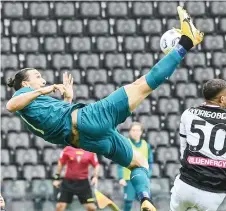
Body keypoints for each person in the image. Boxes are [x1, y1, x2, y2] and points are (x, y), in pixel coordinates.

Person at [6, 7, 204, 211]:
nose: (43, 79)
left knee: (140, 163)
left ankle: (145, 199)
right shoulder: (21, 96)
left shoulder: (32, 107)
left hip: (85, 139)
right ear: (25, 84)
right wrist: (46, 90)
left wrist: (68, 98)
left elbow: (56, 121)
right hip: (89, 119)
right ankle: (185, 42)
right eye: (37, 76)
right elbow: (10, 105)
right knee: (142, 85)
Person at [170, 79, 226, 211]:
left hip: (186, 185)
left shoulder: (188, 113)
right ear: (222, 99)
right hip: (214, 191)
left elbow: (183, 150)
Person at [118, 122, 153, 211]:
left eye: (138, 130)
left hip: (142, 179)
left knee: (146, 203)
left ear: (141, 132)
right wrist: (121, 178)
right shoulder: (126, 144)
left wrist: (148, 176)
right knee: (128, 203)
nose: (135, 132)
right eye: (133, 130)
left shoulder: (146, 145)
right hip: (128, 179)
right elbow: (119, 162)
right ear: (129, 132)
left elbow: (150, 162)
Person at [53, 146, 100, 211]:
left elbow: (96, 165)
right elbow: (60, 163)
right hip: (68, 182)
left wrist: (95, 177)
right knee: (60, 207)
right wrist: (56, 178)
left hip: (83, 184)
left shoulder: (90, 150)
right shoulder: (67, 149)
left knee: (91, 208)